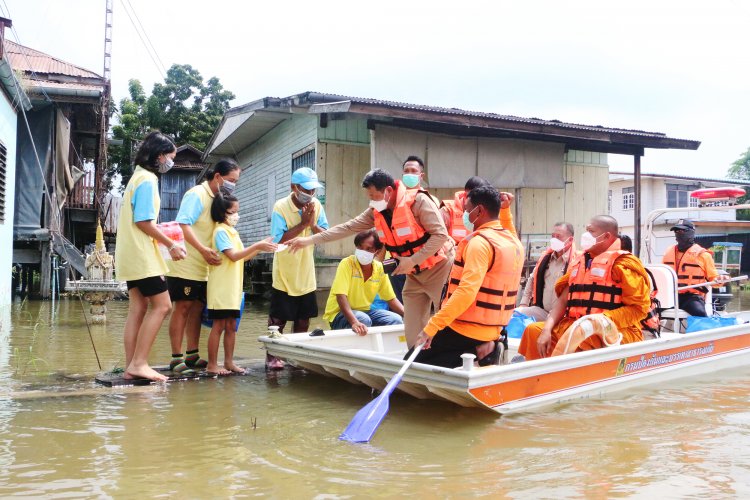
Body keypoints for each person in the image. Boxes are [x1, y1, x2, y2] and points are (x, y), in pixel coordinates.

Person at [288, 168, 454, 347]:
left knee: (445, 320)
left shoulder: (419, 202)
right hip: (413, 274)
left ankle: (454, 361)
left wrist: (412, 260)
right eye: (370, 196)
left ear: (388, 191)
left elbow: (441, 235)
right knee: (412, 328)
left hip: (439, 268)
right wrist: (308, 240)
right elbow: (347, 228)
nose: (372, 201)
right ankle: (417, 361)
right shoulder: (376, 210)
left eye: (374, 196)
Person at [411, 186, 524, 368]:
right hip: (495, 329)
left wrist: (431, 327)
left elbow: (466, 292)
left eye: (466, 210)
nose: (464, 215)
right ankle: (483, 349)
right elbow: (508, 227)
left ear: (479, 210)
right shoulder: (512, 241)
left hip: (465, 328)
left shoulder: (480, 244)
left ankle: (478, 351)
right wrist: (505, 210)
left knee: (414, 364)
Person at [517, 215, 651, 361]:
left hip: (613, 330)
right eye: (586, 230)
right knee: (533, 331)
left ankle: (562, 375)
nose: (586, 235)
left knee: (585, 338)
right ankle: (537, 377)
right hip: (574, 326)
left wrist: (599, 321)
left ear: (606, 236)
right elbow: (562, 302)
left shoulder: (624, 264)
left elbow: (639, 309)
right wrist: (547, 328)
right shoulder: (578, 262)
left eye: (591, 231)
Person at [115, 131, 187, 382]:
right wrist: (172, 244)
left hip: (129, 254)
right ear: (159, 156)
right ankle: (139, 363)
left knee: (138, 308)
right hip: (142, 255)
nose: (171, 162)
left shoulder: (136, 177)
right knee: (163, 305)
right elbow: (144, 222)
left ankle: (130, 366)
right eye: (171, 157)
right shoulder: (147, 180)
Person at [166, 159, 241, 373]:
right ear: (217, 176)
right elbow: (184, 224)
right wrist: (201, 249)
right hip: (187, 262)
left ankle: (192, 354)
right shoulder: (197, 194)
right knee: (182, 308)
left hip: (206, 266)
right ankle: (176, 357)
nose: (232, 185)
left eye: (235, 181)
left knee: (197, 309)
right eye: (230, 180)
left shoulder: (218, 198)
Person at [206, 193, 277, 375]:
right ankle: (212, 364)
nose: (236, 215)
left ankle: (229, 362)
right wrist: (257, 245)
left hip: (233, 289)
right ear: (222, 213)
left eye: (237, 211)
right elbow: (233, 255)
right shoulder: (220, 231)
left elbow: (242, 258)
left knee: (231, 326)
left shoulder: (232, 232)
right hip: (221, 288)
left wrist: (261, 247)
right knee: (219, 326)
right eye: (232, 212)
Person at [267, 167, 329, 369]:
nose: (310, 194)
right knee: (278, 319)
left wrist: (311, 225)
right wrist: (302, 225)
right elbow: (278, 240)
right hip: (285, 272)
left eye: (313, 190)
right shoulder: (281, 207)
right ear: (294, 187)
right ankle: (272, 356)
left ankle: (298, 357)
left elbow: (325, 234)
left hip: (306, 272)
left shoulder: (316, 205)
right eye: (306, 190)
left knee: (303, 320)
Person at [323, 229, 404, 334]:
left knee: (396, 319)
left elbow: (391, 299)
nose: (363, 251)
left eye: (369, 249)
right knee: (363, 319)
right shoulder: (347, 263)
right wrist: (354, 322)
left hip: (365, 312)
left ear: (377, 251)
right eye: (360, 247)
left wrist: (410, 317)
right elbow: (340, 296)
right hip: (339, 314)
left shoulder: (379, 268)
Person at [662, 219, 728, 316]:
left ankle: (703, 329)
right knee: (646, 310)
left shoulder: (704, 255)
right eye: (677, 231)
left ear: (691, 233)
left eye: (682, 231)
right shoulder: (668, 253)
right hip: (670, 296)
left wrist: (720, 280)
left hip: (691, 297)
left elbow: (713, 279)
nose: (679, 234)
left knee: (699, 313)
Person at [517, 222, 575, 322]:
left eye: (558, 236)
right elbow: (532, 279)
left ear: (570, 240)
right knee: (515, 314)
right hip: (542, 311)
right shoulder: (546, 258)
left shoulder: (576, 261)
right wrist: (524, 303)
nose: (554, 239)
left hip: (563, 316)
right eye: (553, 236)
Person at [440, 176, 492, 244]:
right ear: (465, 193)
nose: (475, 201)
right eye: (472, 197)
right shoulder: (447, 211)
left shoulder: (486, 213)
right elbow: (435, 236)